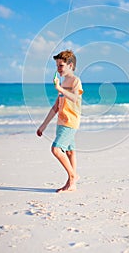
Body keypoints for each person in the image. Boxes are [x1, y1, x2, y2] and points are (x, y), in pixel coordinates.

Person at [36, 50, 83, 192]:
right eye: (57, 65)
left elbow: (75, 98)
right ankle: (72, 184)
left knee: (56, 149)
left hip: (71, 121)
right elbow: (56, 106)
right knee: (70, 152)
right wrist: (43, 126)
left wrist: (59, 88)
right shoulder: (63, 82)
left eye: (61, 65)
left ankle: (73, 176)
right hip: (61, 122)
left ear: (71, 66)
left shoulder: (75, 81)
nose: (58, 69)